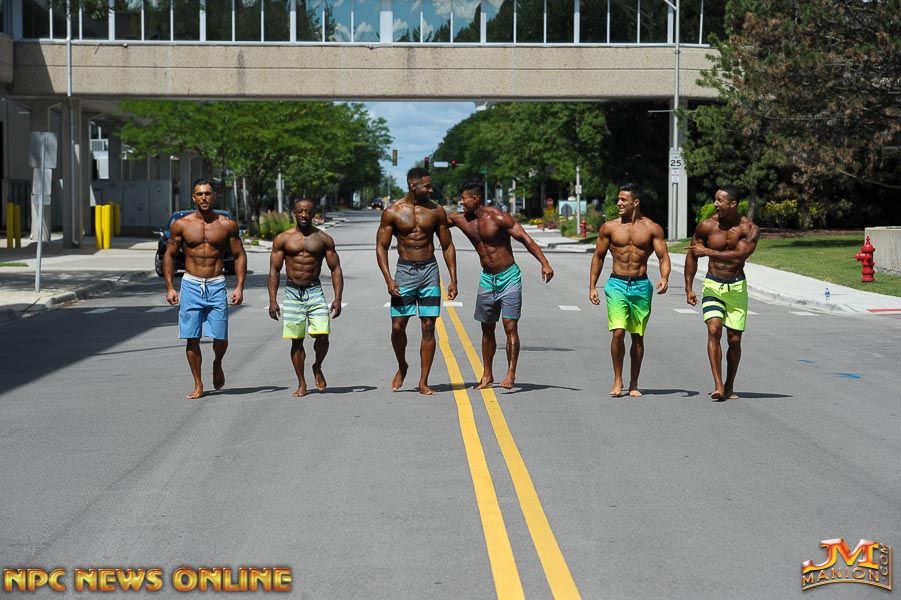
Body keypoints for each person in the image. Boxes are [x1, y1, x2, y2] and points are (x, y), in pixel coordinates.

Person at [447, 179, 554, 389]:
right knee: (486, 328)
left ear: (475, 198)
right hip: (487, 278)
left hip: (509, 276)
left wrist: (544, 263)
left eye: (464, 198)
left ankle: (511, 373)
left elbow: (525, 238)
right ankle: (487, 374)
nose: (461, 202)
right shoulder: (460, 219)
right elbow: (432, 219)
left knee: (510, 326)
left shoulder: (497, 217)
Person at [376, 167, 458, 395]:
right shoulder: (392, 212)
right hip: (405, 271)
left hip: (430, 270)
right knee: (397, 326)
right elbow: (381, 246)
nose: (430, 189)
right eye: (427, 186)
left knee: (428, 326)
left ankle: (424, 381)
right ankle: (402, 365)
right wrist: (388, 279)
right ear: (413, 186)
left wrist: (453, 279)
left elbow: (447, 245)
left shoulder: (436, 211)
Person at [164, 178, 247, 399]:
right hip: (191, 284)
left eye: (208, 193)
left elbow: (239, 255)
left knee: (220, 337)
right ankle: (198, 384)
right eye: (200, 194)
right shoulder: (181, 225)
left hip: (216, 284)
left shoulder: (226, 225)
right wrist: (170, 287)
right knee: (192, 337)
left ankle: (217, 362)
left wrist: (239, 287)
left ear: (214, 196)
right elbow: (169, 255)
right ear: (193, 197)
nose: (204, 197)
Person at [589, 183, 670, 397]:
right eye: (618, 199)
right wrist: (592, 286)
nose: (618, 203)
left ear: (635, 202)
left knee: (637, 335)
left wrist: (664, 277)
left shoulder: (652, 228)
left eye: (623, 200)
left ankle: (634, 382)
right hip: (616, 283)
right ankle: (618, 379)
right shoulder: (609, 227)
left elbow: (663, 256)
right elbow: (598, 256)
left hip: (641, 285)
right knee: (618, 332)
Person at [684, 186, 760, 400]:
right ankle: (718, 385)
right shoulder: (706, 226)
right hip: (713, 284)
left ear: (732, 204)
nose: (715, 204)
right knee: (714, 329)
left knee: (734, 339)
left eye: (720, 200)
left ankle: (729, 385)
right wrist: (689, 287)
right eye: (715, 199)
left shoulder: (750, 228)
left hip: (736, 287)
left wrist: (708, 251)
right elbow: (692, 255)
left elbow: (739, 256)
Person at [268, 197, 344, 397]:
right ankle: (301, 382)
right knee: (296, 340)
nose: (304, 215)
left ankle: (317, 365)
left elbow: (335, 269)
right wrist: (273, 300)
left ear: (313, 214)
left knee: (323, 335)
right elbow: (274, 270)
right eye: (300, 211)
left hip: (314, 290)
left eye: (308, 211)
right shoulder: (283, 239)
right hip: (292, 292)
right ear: (294, 213)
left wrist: (337, 298)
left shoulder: (323, 239)